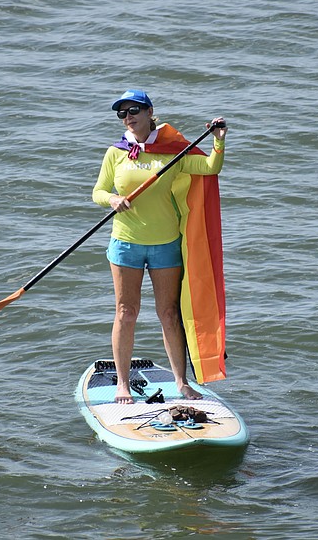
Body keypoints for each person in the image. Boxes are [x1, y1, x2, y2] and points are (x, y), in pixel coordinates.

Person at [92, 89, 228, 403]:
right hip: (126, 244)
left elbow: (210, 168)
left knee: (168, 313)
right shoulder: (116, 152)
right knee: (126, 313)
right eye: (122, 113)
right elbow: (98, 191)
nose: (128, 117)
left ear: (149, 111)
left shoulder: (174, 152)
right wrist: (112, 199)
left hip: (166, 245)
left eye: (134, 110)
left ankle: (181, 382)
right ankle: (123, 384)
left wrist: (219, 140)